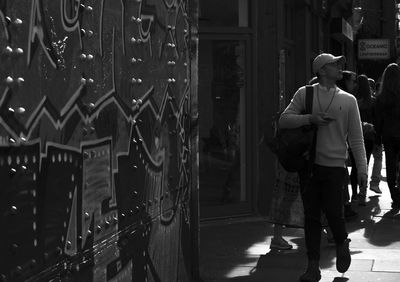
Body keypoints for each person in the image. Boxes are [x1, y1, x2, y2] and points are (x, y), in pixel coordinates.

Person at [279, 53, 367, 281]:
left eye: (339, 64)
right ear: (321, 70)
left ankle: (341, 242)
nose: (340, 68)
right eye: (334, 64)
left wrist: (363, 169)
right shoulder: (304, 93)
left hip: (336, 167)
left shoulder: (348, 100)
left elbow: (356, 139)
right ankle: (313, 267)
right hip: (309, 166)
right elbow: (284, 120)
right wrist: (310, 118)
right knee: (311, 218)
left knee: (334, 213)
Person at [348, 74, 377, 205]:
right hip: (369, 136)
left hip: (354, 135)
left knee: (354, 165)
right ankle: (362, 192)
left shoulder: (353, 100)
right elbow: (377, 120)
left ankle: (353, 193)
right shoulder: (373, 102)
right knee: (364, 163)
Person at [375, 63, 400, 210]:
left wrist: (378, 139)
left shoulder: (381, 97)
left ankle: (395, 198)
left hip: (388, 135)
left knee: (390, 167)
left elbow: (378, 121)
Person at [336, 71, 359, 218]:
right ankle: (343, 208)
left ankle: (345, 206)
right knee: (341, 180)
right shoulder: (343, 99)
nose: (354, 84)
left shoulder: (348, 99)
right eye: (352, 80)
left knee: (343, 179)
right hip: (333, 153)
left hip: (340, 150)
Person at [368, 77, 383, 194]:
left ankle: (360, 191)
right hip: (374, 134)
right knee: (378, 159)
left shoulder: (355, 100)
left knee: (363, 161)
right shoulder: (376, 101)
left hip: (361, 135)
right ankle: (374, 183)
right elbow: (378, 120)